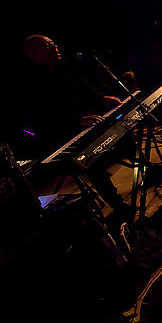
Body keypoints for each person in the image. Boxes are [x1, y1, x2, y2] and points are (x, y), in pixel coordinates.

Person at [21, 34, 133, 219]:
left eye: (52, 43)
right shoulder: (30, 83)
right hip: (65, 133)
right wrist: (78, 120)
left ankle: (146, 168)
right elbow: (43, 116)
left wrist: (102, 98)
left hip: (87, 120)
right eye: (47, 46)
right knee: (91, 162)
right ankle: (118, 205)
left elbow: (84, 88)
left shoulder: (63, 67)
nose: (54, 47)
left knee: (123, 128)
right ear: (34, 55)